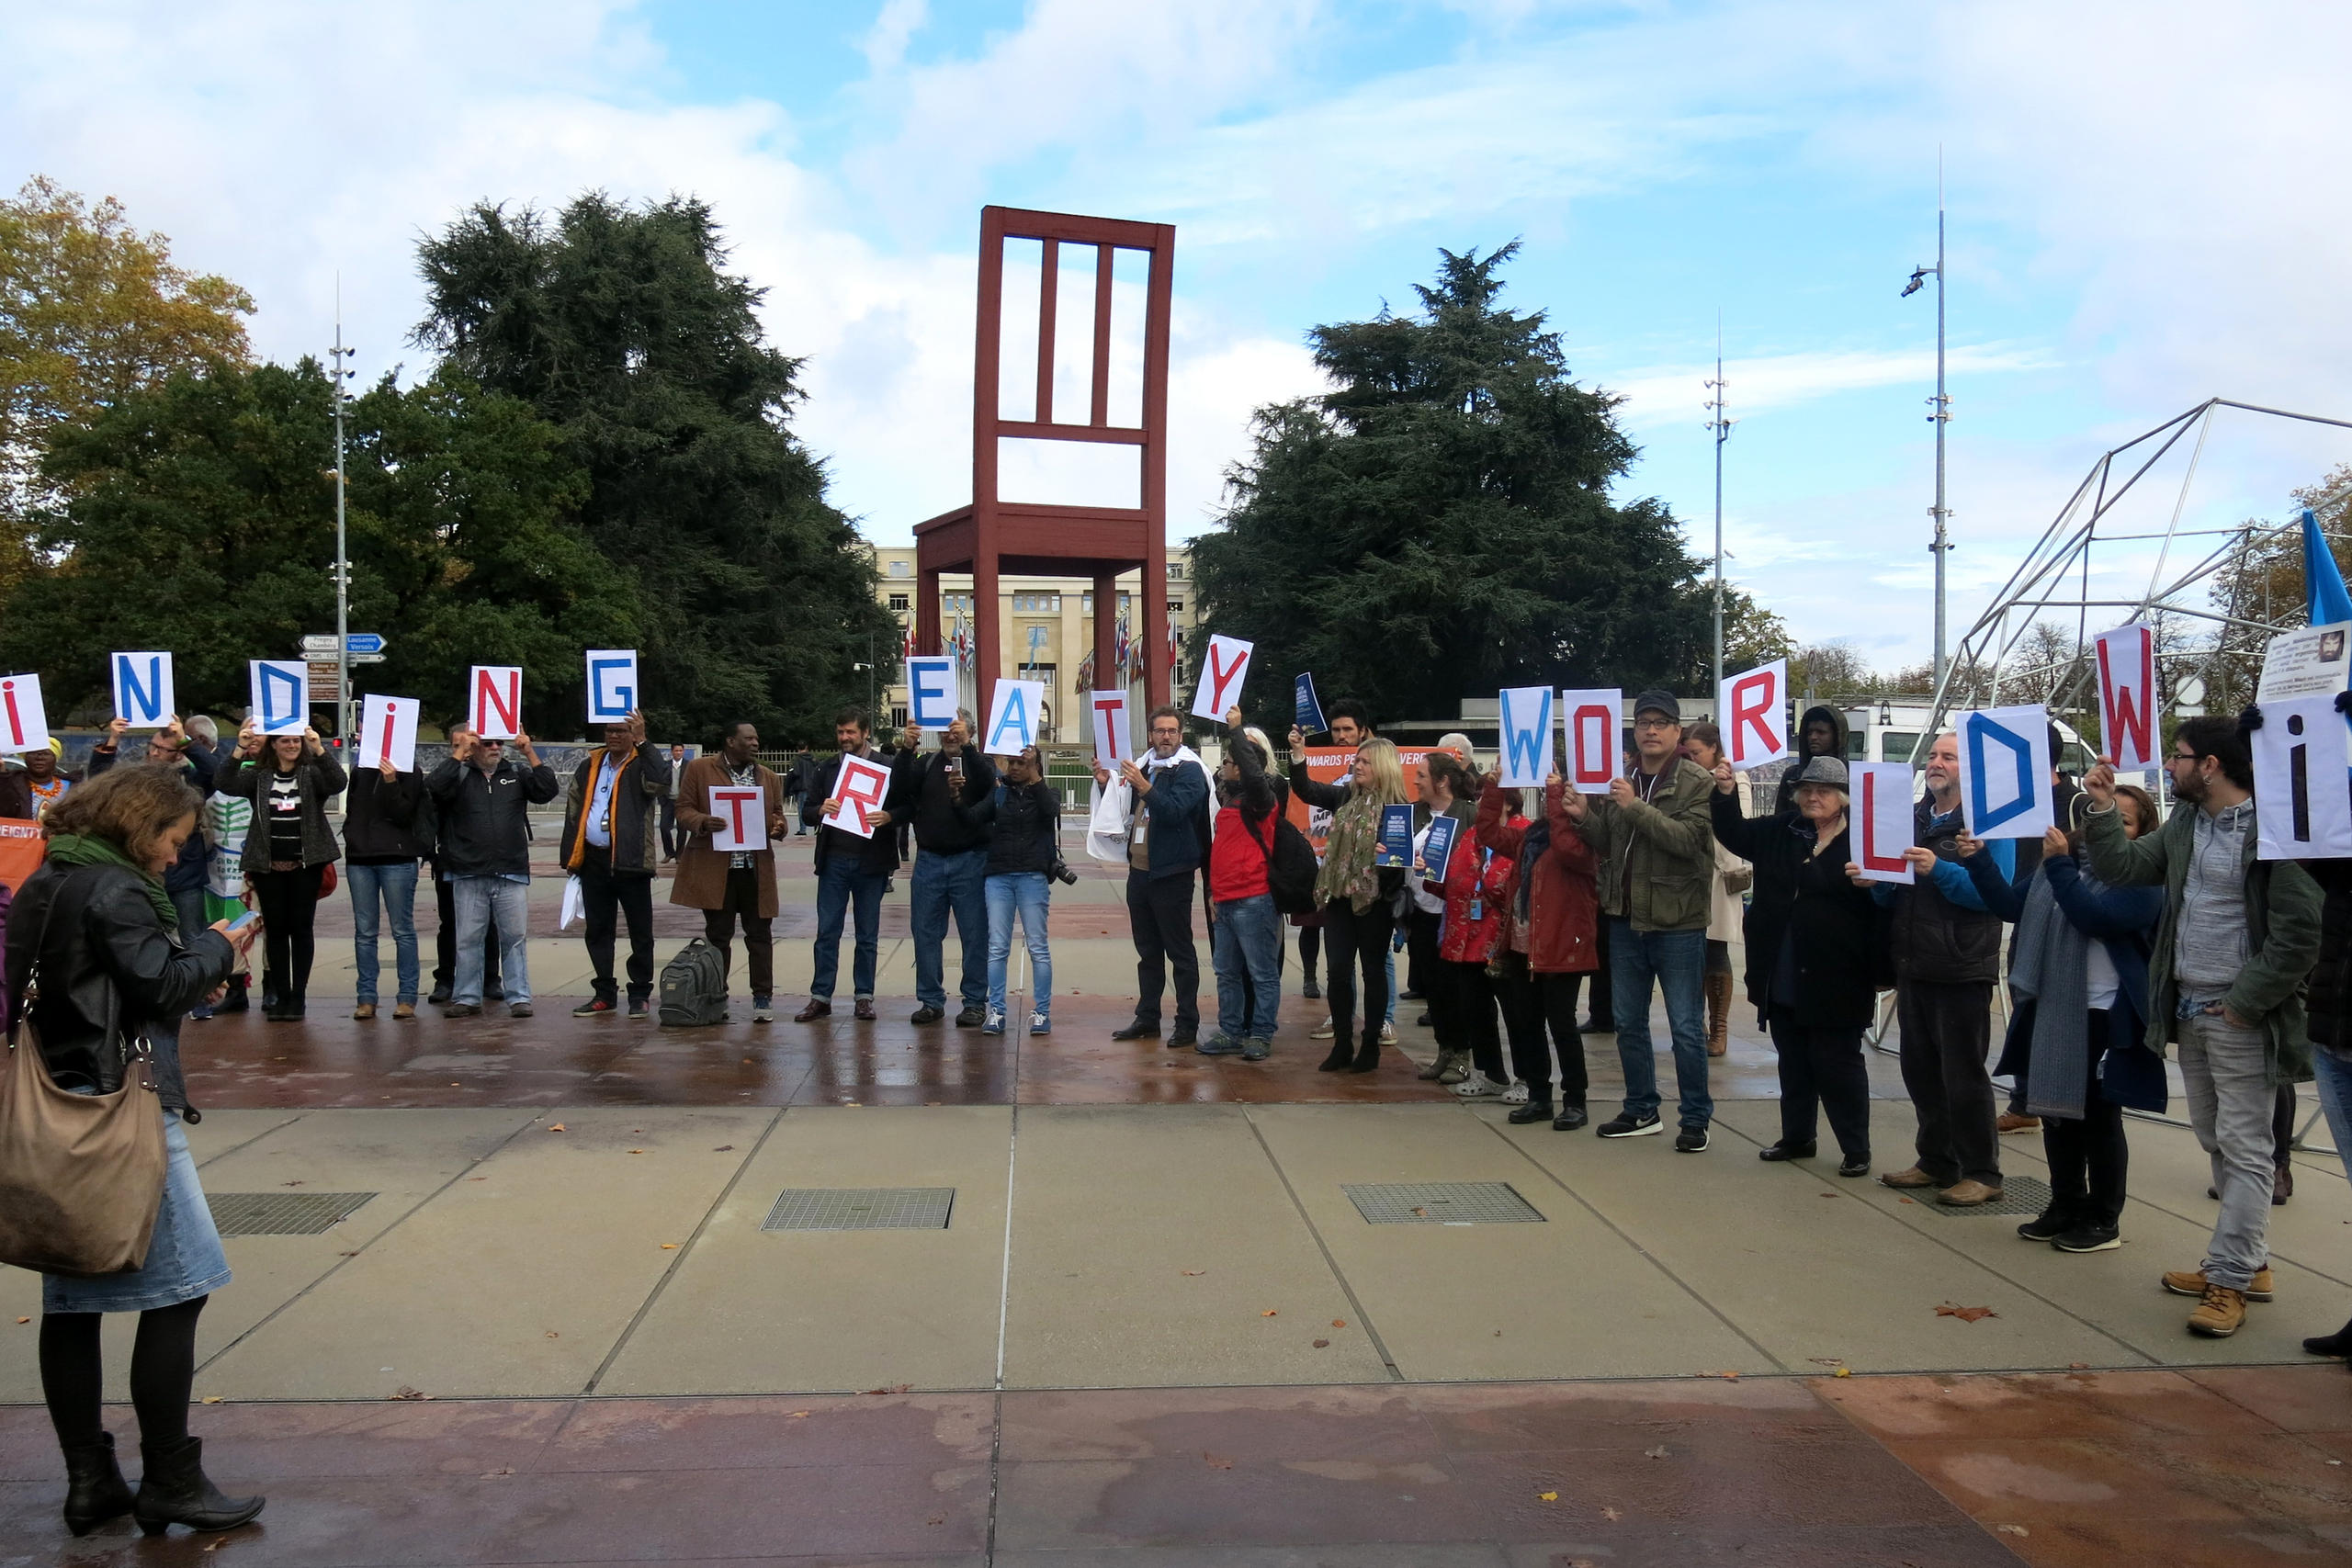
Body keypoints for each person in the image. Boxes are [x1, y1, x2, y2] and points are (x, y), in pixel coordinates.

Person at [6, 762, 263, 1537]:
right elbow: (156, 984)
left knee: (73, 1299)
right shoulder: (115, 888)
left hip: (53, 1106)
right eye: (170, 841)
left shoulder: (45, 880)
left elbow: (91, 982)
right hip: (125, 1107)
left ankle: (90, 1478)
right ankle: (170, 1476)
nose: (171, 857)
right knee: (184, 1286)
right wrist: (219, 947)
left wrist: (186, 974)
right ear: (139, 827)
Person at [2081, 716, 2322, 1337]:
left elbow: (2300, 933)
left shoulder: (2276, 831)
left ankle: (2230, 1279)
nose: (2173, 765)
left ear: (2210, 765)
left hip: (2239, 1012)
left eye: (2181, 755)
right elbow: (2125, 866)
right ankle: (2248, 1261)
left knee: (2245, 1148)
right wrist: (2105, 807)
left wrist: (2246, 1001)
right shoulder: (2189, 822)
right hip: (2190, 1006)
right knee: (2216, 1136)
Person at [1957, 784, 2165, 1251]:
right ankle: (2065, 1203)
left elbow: (2094, 917)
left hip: (2106, 1014)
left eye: (2123, 822)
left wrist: (2057, 865)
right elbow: (2014, 907)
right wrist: (1979, 860)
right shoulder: (2065, 866)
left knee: (2097, 1119)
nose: (2106, 829)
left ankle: (2103, 1218)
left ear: (2143, 833)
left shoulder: (2144, 878)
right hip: (2054, 1007)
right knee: (2055, 1114)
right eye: (2097, 818)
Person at [1862, 730, 2016, 1205]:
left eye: (1948, 757)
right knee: (1920, 1070)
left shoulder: (1990, 825)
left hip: (1961, 964)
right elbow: (1894, 888)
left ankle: (1982, 1173)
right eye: (1933, 755)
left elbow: (1996, 895)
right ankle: (1935, 1160)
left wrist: (1940, 869)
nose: (1936, 763)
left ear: (1969, 771)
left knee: (1963, 1076)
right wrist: (1877, 881)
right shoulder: (1913, 818)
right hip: (1914, 960)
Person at [1559, 689, 1716, 1149]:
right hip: (1625, 918)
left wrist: (1635, 807)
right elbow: (1608, 843)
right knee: (1628, 1022)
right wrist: (1584, 816)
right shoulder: (1622, 778)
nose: (1650, 730)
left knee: (1686, 1027)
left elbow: (1690, 842)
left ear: (1677, 732)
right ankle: (1641, 1108)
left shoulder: (1696, 781)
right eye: (1643, 723)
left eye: (1660, 723)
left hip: (1677, 921)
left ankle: (1695, 1118)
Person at [1713, 755, 1880, 1176]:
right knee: (1793, 1059)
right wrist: (1726, 793)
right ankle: (1798, 1137)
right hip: (1781, 967)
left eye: (1822, 790)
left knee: (1837, 1062)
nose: (1812, 797)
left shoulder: (1865, 840)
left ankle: (1856, 1148)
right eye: (1806, 789)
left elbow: (1886, 905)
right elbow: (1732, 832)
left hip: (1839, 972)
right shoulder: (1781, 830)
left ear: (1842, 798)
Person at [1473, 767, 1600, 1127]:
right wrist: (1496, 785)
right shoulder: (1532, 836)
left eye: (1561, 795)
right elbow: (1488, 833)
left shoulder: (1582, 840)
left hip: (1562, 947)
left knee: (1562, 1026)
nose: (1552, 800)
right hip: (1524, 947)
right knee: (1527, 1024)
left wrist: (1559, 798)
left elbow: (1564, 849)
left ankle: (1575, 1100)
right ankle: (1540, 1095)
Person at [87, 716, 219, 1015]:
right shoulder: (137, 780)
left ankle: (199, 1002)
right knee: (144, 937)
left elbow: (217, 774)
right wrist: (112, 741)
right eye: (153, 746)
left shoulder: (191, 781)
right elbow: (98, 784)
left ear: (180, 754)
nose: (156, 753)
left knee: (191, 936)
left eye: (165, 749)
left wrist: (185, 739)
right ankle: (148, 997)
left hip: (185, 875)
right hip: (143, 874)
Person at [425, 725, 559, 1019]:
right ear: (475, 747)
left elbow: (547, 789)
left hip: (509, 870)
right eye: (488, 743)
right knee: (468, 937)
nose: (496, 747)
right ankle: (467, 996)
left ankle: (519, 996)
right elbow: (433, 788)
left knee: (514, 937)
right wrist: (460, 753)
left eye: (499, 742)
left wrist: (528, 750)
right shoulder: (459, 776)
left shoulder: (517, 773)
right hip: (468, 871)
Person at [217, 719, 345, 1022]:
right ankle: (281, 995)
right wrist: (240, 746)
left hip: (305, 865)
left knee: (301, 930)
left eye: (296, 741)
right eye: (285, 741)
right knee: (275, 931)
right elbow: (224, 781)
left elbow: (338, 782)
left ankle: (298, 997)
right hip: (268, 867)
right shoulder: (258, 776)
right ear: (273, 745)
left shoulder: (312, 773)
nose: (291, 745)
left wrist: (318, 747)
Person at [1098, 705, 1212, 1047]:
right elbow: (1124, 810)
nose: (1165, 737)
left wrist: (1145, 786)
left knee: (1179, 952)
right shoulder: (1145, 766)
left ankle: (1187, 1022)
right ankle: (1148, 1017)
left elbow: (1175, 811)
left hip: (1172, 874)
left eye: (1171, 731)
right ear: (1151, 735)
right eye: (1160, 731)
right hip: (1141, 872)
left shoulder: (1190, 771)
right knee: (1147, 952)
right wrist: (1107, 786)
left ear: (1181, 736)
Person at [672, 722, 789, 1021]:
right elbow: (682, 810)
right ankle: (717, 997)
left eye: (757, 738)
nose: (755, 743)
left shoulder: (768, 777)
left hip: (755, 868)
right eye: (748, 738)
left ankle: (763, 998)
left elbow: (778, 814)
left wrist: (779, 827)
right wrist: (702, 821)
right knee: (718, 936)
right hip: (717, 869)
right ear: (730, 741)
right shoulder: (700, 769)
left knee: (760, 936)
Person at [802, 708, 915, 1021]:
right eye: (840, 732)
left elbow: (908, 806)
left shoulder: (886, 766)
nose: (844, 738)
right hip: (834, 861)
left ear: (865, 733)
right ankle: (820, 996)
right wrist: (820, 809)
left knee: (867, 934)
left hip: (871, 862)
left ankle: (864, 996)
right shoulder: (828, 768)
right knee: (827, 931)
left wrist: (890, 817)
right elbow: (807, 811)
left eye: (850, 732)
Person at [1309, 736, 1412, 1073]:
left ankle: (1370, 1045)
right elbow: (1306, 790)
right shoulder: (1346, 797)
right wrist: (1297, 755)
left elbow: (1402, 863)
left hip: (1374, 902)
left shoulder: (1398, 809)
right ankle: (1342, 1043)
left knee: (1373, 971)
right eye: (1357, 760)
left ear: (1382, 767)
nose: (1357, 766)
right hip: (1339, 896)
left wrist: (1388, 860)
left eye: (1365, 761)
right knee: (1338, 971)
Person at [560, 709, 671, 1018]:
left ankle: (639, 993)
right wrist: (571, 855)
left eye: (621, 731)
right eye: (609, 730)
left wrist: (645, 742)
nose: (613, 736)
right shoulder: (591, 764)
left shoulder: (640, 765)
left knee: (640, 931)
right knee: (598, 929)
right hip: (594, 859)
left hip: (630, 860)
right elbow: (574, 809)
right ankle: (604, 992)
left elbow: (663, 782)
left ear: (633, 734)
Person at [954, 742, 1059, 1036]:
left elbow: (1050, 813)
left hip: (1032, 877)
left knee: (1038, 946)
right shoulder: (999, 792)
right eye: (1011, 762)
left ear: (1035, 766)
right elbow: (973, 818)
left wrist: (1036, 778)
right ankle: (997, 1010)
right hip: (998, 876)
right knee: (997, 946)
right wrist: (957, 798)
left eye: (1021, 763)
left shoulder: (1046, 792)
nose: (1014, 768)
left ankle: (1042, 1012)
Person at [905, 710, 999, 1027]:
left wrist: (969, 747)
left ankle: (974, 1001)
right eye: (944, 730)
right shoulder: (927, 763)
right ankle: (930, 1000)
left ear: (969, 731)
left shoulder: (980, 762)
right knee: (925, 932)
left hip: (971, 859)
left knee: (974, 934)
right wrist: (907, 749)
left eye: (956, 729)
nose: (949, 735)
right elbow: (900, 788)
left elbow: (990, 788)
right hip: (929, 859)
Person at [1203, 728, 1283, 1060]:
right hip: (1225, 899)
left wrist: (1236, 730)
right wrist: (1212, 892)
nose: (1224, 766)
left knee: (1261, 972)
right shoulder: (1231, 799)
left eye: (1229, 761)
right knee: (1226, 971)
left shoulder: (1262, 802)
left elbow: (1254, 773)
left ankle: (1261, 1033)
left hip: (1254, 897)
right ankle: (1231, 1030)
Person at [341, 742, 431, 1021]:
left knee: (402, 930)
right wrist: (352, 836)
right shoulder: (360, 771)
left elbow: (404, 813)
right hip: (361, 857)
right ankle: (366, 997)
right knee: (364, 932)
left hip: (397, 856)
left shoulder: (411, 771)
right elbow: (354, 806)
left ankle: (407, 997)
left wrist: (391, 782)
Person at [1682, 722, 1750, 1058]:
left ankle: (1719, 1026)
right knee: (1688, 951)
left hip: (1720, 872)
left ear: (1714, 748)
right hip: (1687, 871)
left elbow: (1740, 824)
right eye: (1688, 753)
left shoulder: (1734, 777)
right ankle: (1696, 1025)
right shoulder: (1684, 778)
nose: (1692, 759)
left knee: (1715, 949)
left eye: (1697, 752)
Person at [1771, 705, 1849, 816]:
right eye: (1809, 733)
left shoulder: (1853, 775)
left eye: (1821, 732)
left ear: (1836, 736)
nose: (1813, 737)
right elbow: (1780, 818)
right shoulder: (1792, 775)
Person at [0, 736, 87, 819]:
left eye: (46, 753)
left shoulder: (74, 787)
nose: (39, 758)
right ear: (25, 758)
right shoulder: (12, 783)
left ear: (55, 759)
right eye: (33, 753)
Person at [658, 742, 686, 862]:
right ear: (672, 752)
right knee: (664, 827)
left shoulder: (689, 766)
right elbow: (660, 783)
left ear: (683, 752)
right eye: (676, 751)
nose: (678, 753)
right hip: (668, 801)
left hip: (682, 802)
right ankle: (669, 853)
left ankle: (679, 854)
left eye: (680, 751)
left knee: (682, 829)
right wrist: (661, 799)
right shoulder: (665, 766)